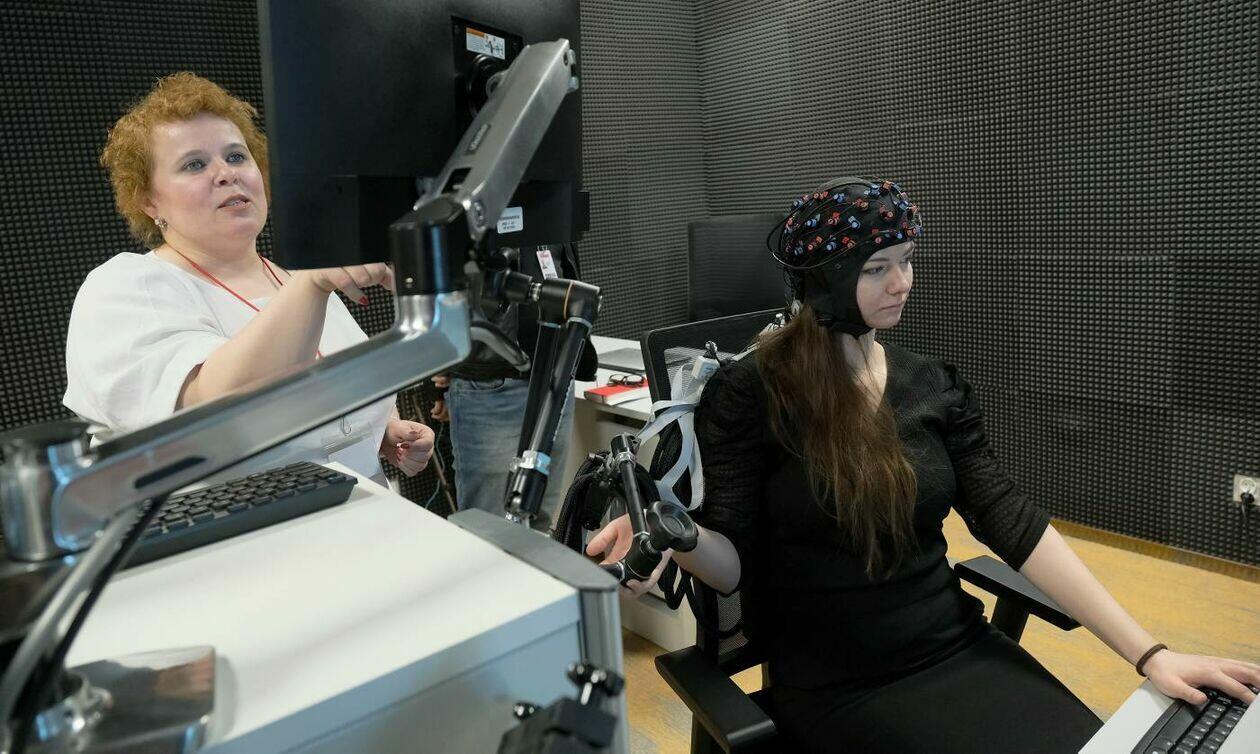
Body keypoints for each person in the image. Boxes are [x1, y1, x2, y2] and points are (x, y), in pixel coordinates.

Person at [587, 177, 1260, 752]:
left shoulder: (932, 384)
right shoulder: (751, 394)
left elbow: (1008, 517)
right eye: (877, 268)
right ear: (825, 278)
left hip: (955, 646)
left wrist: (1150, 654)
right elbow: (732, 566)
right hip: (838, 687)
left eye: (907, 260)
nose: (903, 283)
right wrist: (676, 533)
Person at [64, 72, 434, 484]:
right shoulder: (124, 287)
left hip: (361, 510)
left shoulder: (288, 280)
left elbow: (329, 395)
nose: (226, 174)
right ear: (148, 200)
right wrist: (309, 286)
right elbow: (216, 413)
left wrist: (379, 429)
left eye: (237, 157)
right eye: (194, 164)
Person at [429, 243, 595, 531]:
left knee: (540, 520)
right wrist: (447, 367)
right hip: (492, 384)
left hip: (557, 376)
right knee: (494, 529)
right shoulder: (483, 215)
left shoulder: (548, 216)